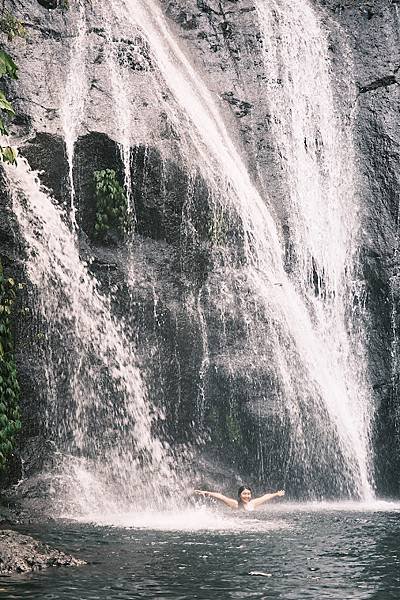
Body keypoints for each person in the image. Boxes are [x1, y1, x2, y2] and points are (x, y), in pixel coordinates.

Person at [194, 485, 285, 511]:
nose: (247, 496)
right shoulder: (235, 504)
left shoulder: (252, 503)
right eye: (244, 494)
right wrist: (206, 493)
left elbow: (265, 497)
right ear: (239, 495)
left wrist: (276, 494)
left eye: (248, 494)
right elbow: (221, 497)